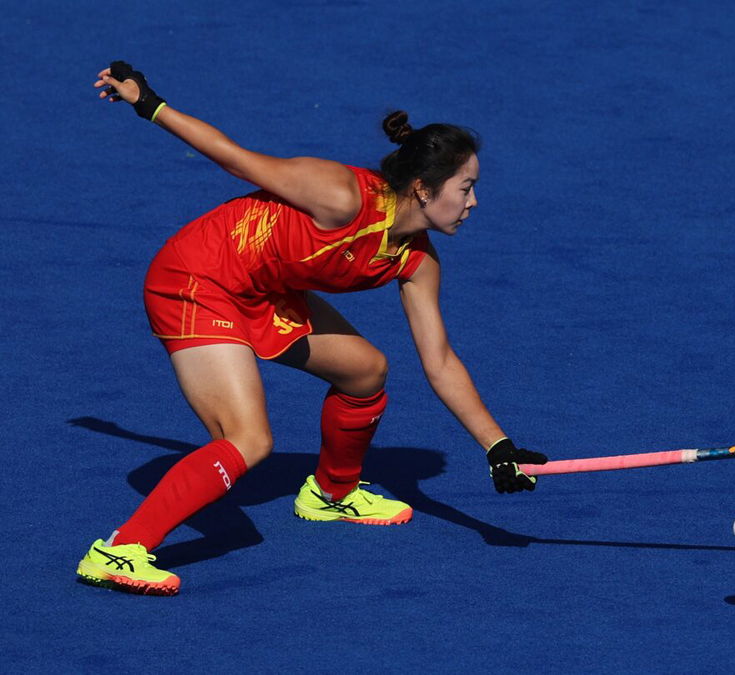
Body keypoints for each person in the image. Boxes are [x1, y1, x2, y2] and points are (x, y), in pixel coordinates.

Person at [76, 61, 548, 595]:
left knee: (366, 371)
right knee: (249, 439)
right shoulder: (341, 195)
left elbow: (438, 361)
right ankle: (119, 550)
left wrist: (497, 446)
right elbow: (236, 160)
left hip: (263, 289)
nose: (474, 202)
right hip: (198, 278)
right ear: (423, 188)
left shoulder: (417, 261)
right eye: (465, 188)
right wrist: (149, 104)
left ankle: (331, 492)